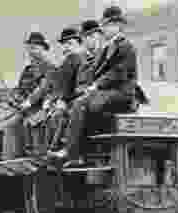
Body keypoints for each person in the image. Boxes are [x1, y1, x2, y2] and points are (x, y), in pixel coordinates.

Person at [51, 6, 140, 167]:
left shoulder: (126, 46)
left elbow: (119, 73)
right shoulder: (108, 47)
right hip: (109, 92)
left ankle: (72, 153)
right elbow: (96, 73)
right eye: (104, 25)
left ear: (118, 26)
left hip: (123, 94)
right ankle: (73, 152)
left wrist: (96, 86)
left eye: (107, 25)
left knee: (82, 104)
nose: (104, 29)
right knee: (81, 102)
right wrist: (89, 87)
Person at [0, 32, 56, 160]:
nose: (31, 52)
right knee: (10, 124)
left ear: (43, 49)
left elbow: (43, 88)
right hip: (26, 108)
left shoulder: (50, 67)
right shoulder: (28, 70)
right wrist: (14, 97)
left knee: (32, 122)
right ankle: (10, 158)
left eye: (35, 48)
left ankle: (35, 156)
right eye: (30, 48)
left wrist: (29, 102)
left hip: (41, 107)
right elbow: (20, 89)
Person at [42, 27, 85, 152]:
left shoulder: (77, 58)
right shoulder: (68, 60)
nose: (66, 47)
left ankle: (56, 150)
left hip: (77, 99)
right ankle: (49, 151)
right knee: (48, 116)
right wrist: (52, 100)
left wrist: (62, 101)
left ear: (79, 44)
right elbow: (59, 85)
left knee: (58, 115)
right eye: (64, 44)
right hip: (68, 99)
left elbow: (75, 86)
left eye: (70, 44)